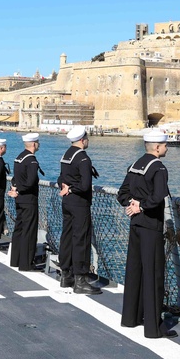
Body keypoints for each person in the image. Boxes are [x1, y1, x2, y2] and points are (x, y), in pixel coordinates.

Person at [117, 129, 175, 339]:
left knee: (134, 270)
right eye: (165, 145)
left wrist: (132, 204)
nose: (167, 148)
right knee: (153, 274)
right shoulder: (158, 167)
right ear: (157, 147)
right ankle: (153, 327)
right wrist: (141, 206)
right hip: (150, 224)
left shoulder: (135, 166)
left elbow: (122, 193)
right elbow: (159, 197)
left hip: (135, 224)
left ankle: (130, 318)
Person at [58, 125, 100, 295]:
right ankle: (80, 279)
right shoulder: (82, 158)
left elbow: (61, 177)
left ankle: (66, 274)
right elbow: (84, 185)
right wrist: (73, 188)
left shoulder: (66, 155)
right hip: (79, 203)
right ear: (83, 140)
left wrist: (66, 187)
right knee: (81, 239)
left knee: (67, 236)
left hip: (67, 202)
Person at [9, 133, 42, 271]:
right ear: (34, 144)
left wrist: (15, 189)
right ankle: (26, 263)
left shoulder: (19, 157)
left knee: (19, 229)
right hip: (29, 199)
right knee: (29, 231)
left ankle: (15, 260)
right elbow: (31, 182)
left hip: (20, 200)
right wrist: (19, 190)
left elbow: (15, 178)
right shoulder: (32, 160)